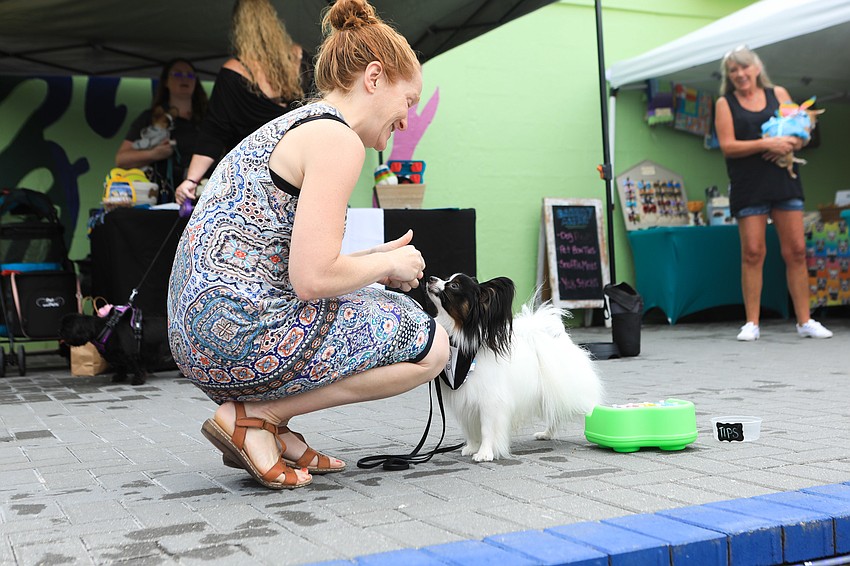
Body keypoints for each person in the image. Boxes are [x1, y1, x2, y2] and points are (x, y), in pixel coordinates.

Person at [167, 0, 450, 490]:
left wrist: (380, 262)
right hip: (237, 334)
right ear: (375, 77)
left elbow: (285, 259)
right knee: (432, 346)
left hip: (201, 332)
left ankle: (273, 428)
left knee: (377, 300)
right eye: (408, 101)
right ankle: (257, 418)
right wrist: (388, 261)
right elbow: (312, 279)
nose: (408, 120)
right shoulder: (338, 141)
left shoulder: (302, 124)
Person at [714, 45, 832, 341]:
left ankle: (805, 321)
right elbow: (727, 146)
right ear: (729, 76)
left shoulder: (777, 93)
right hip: (748, 186)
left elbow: (800, 128)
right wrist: (766, 144)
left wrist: (791, 142)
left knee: (796, 251)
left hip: (784, 181)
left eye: (744, 67)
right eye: (733, 70)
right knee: (753, 252)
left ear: (756, 69)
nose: (740, 74)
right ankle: (752, 323)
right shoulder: (724, 103)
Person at [174, 0, 305, 205]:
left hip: (253, 188)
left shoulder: (234, 71)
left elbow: (214, 132)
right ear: (274, 22)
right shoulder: (300, 58)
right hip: (301, 180)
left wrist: (191, 180)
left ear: (238, 28)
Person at [115, 59, 208, 203]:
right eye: (177, 74)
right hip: (161, 198)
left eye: (190, 75)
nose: (185, 78)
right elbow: (122, 159)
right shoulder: (150, 118)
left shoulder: (209, 120)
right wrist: (153, 154)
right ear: (166, 81)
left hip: (201, 196)